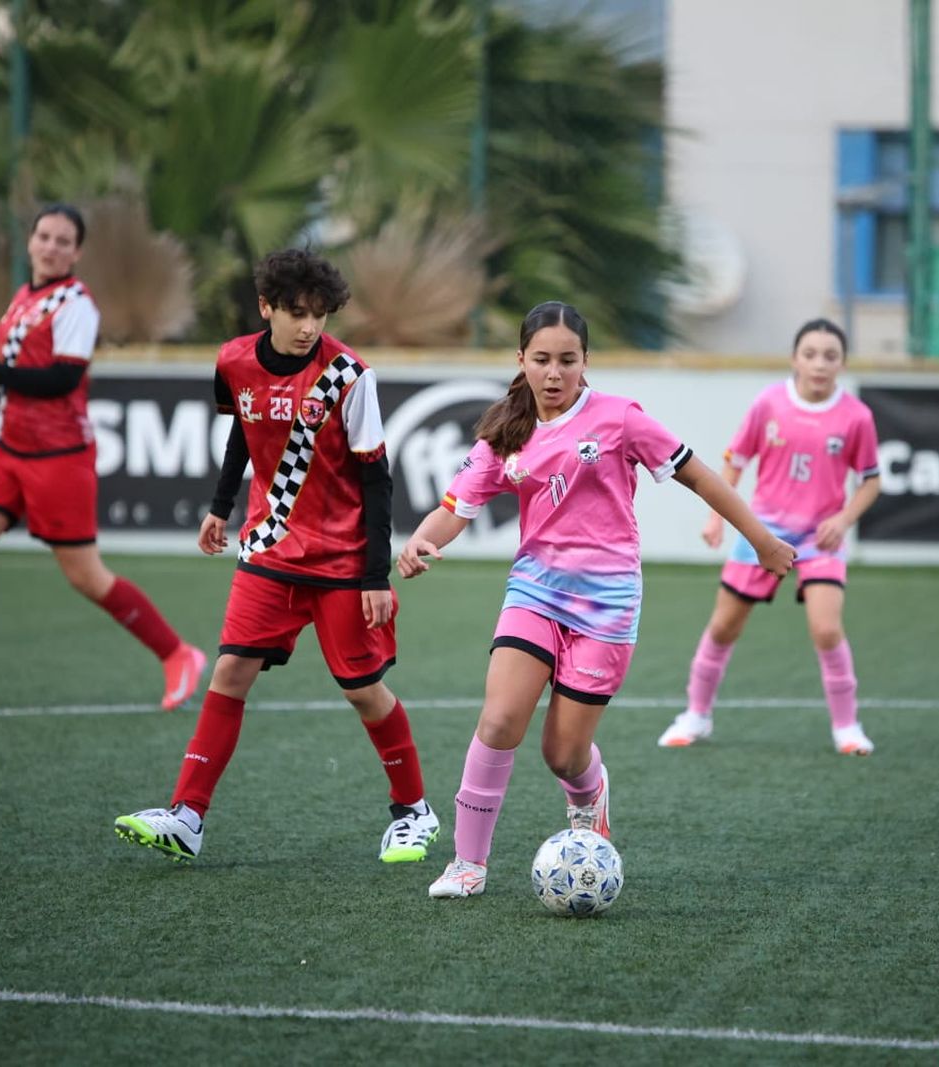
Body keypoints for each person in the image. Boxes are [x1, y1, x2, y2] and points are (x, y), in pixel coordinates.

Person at [399, 301, 796, 899]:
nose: (554, 373)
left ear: (586, 362)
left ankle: (589, 794)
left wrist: (762, 541)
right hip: (534, 591)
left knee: (562, 754)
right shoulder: (505, 430)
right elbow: (455, 509)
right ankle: (468, 864)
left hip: (607, 606)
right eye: (541, 360)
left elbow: (700, 476)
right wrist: (421, 542)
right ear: (521, 361)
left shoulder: (620, 419)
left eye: (567, 360)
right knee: (501, 718)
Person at [113, 248, 439, 865]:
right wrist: (220, 504)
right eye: (295, 312)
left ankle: (413, 812)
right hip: (268, 547)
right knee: (230, 671)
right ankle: (187, 817)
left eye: (318, 314)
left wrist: (375, 574)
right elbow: (245, 424)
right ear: (266, 308)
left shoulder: (349, 374)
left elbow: (378, 479)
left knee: (363, 691)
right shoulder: (233, 360)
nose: (309, 326)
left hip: (343, 560)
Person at [0, 204, 205, 712]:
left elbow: (62, 379)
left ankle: (178, 654)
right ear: (31, 241)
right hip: (10, 448)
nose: (52, 246)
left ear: (76, 252)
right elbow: (23, 371)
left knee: (85, 576)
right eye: (44, 236)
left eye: (63, 241)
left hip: (60, 456)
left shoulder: (76, 303)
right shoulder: (24, 297)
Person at [656, 318, 882, 755]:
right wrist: (716, 518)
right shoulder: (769, 404)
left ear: (842, 364)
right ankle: (695, 715)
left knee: (826, 629)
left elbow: (871, 480)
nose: (819, 364)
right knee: (723, 626)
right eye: (810, 354)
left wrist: (844, 519)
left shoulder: (857, 416)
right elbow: (734, 462)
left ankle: (847, 728)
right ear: (795, 359)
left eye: (830, 356)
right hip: (761, 533)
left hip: (821, 540)